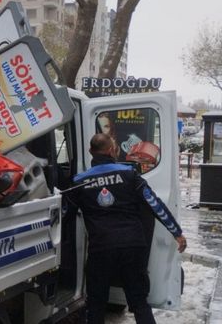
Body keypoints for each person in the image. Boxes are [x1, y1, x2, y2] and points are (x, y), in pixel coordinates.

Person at [64, 133, 187, 324]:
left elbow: (66, 216)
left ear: (90, 152)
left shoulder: (80, 181)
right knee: (139, 302)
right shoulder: (129, 174)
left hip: (101, 249)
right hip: (133, 246)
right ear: (113, 150)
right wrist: (176, 232)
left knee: (96, 304)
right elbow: (154, 204)